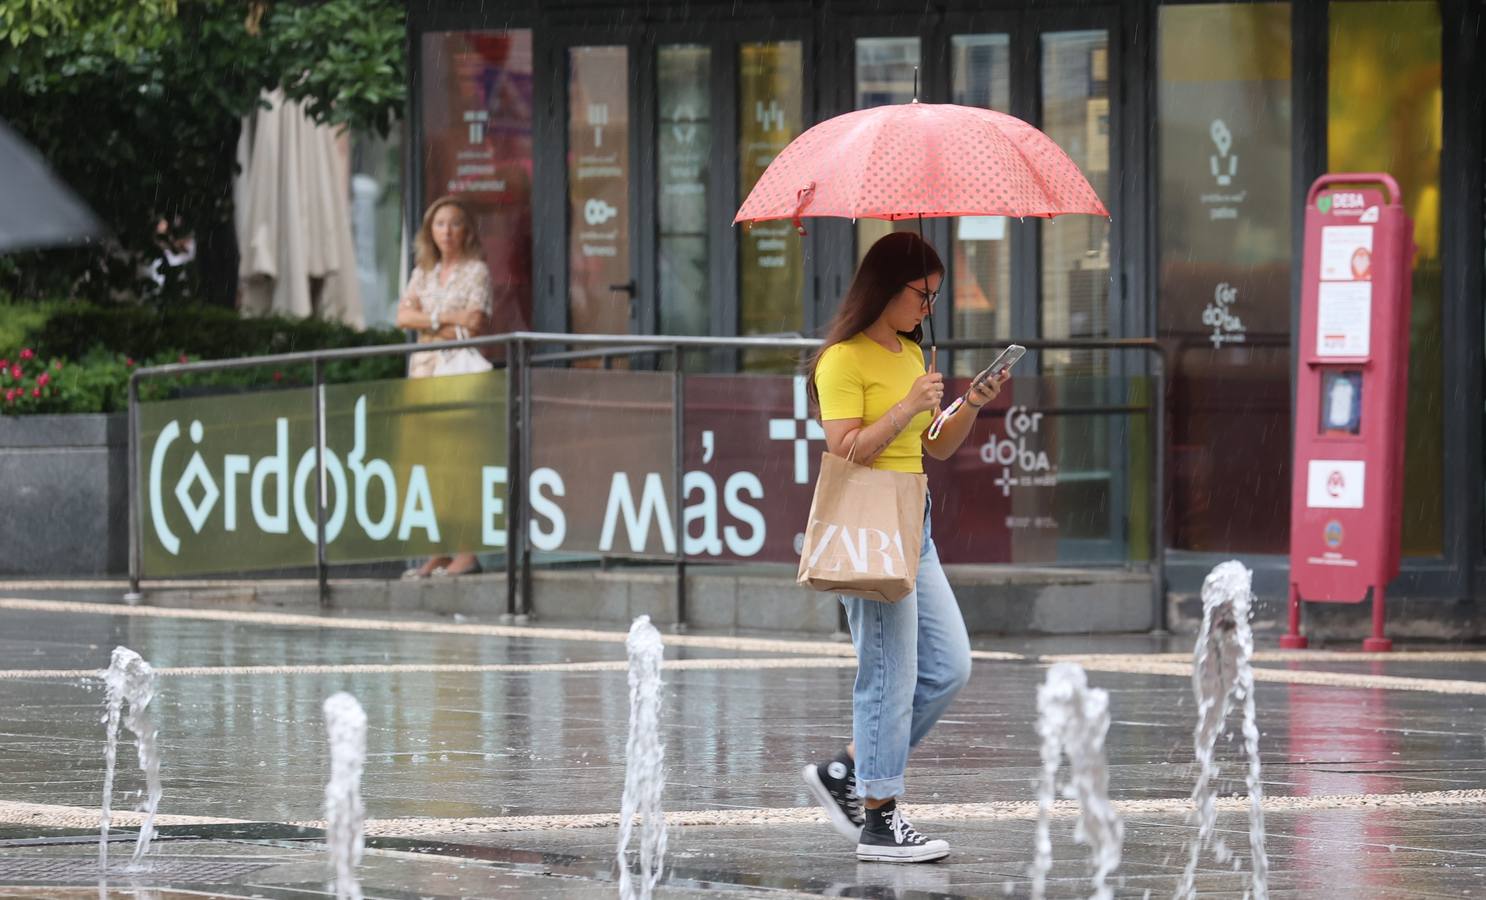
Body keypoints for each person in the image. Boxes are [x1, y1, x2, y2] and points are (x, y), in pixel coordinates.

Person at [801, 231, 1008, 864]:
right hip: (870, 522)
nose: (929, 307)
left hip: (913, 521)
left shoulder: (914, 354)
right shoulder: (842, 359)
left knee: (949, 667)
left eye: (936, 296)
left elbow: (936, 446)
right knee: (887, 679)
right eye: (922, 294)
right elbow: (846, 448)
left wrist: (969, 405)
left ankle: (851, 773)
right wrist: (905, 405)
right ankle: (880, 819)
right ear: (885, 288)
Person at [395, 195, 492, 578]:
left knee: (460, 463)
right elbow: (402, 315)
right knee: (426, 465)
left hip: (458, 377)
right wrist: (446, 320)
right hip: (423, 376)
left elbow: (476, 322)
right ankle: (436, 550)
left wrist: (428, 320)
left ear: (467, 230)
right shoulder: (423, 271)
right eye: (439, 224)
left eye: (454, 224)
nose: (446, 232)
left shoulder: (476, 271)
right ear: (429, 231)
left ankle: (466, 550)